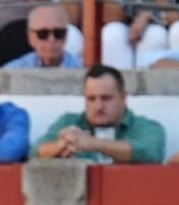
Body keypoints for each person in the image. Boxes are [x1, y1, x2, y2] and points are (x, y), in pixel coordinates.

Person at [34, 63, 166, 163]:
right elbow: (34, 152)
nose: (98, 106)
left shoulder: (146, 127)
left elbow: (152, 153)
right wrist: (61, 145)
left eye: (106, 98)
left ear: (124, 98)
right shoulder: (69, 122)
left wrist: (94, 143)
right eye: (91, 99)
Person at [3, 3, 84, 68]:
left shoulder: (83, 69)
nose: (51, 39)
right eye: (43, 34)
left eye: (58, 33)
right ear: (31, 37)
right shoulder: (14, 71)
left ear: (66, 36)